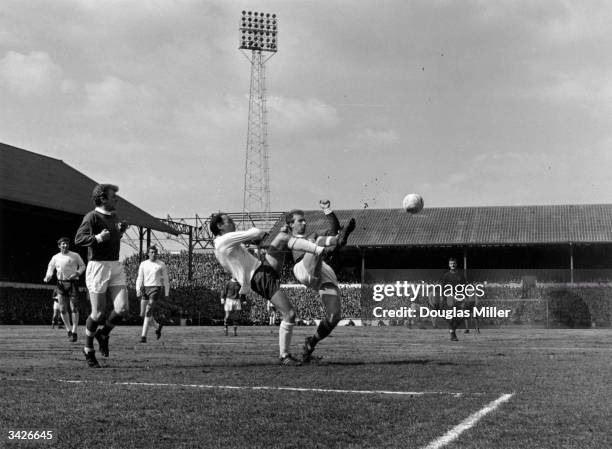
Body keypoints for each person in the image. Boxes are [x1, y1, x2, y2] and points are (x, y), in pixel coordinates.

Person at [211, 212, 332, 366]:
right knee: (289, 314)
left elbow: (251, 246)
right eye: (229, 221)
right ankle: (284, 355)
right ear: (220, 226)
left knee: (282, 237)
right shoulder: (222, 241)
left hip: (263, 268)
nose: (233, 223)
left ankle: (316, 248)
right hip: (259, 277)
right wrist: (256, 235)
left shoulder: (224, 243)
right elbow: (255, 232)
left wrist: (267, 236)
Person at [285, 200, 356, 363]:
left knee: (334, 316)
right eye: (299, 220)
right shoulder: (291, 238)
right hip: (303, 266)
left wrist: (327, 210)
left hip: (322, 271)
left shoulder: (314, 234)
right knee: (318, 242)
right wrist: (338, 238)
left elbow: (333, 229)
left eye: (304, 220)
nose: (304, 222)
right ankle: (340, 240)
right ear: (290, 224)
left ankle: (311, 343)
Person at [75, 184, 129, 368]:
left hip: (115, 265)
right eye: (114, 196)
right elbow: (79, 239)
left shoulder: (114, 217)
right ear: (103, 199)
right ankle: (88, 347)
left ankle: (103, 334)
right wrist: (97, 238)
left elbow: (110, 239)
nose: (117, 199)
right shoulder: (92, 217)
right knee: (97, 313)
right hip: (98, 266)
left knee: (122, 308)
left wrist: (119, 233)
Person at [43, 237, 86, 342]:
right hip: (61, 283)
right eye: (63, 244)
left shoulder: (75, 255)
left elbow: (83, 266)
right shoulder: (55, 257)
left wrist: (76, 273)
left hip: (73, 283)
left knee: (74, 308)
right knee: (62, 309)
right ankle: (69, 330)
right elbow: (50, 268)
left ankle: (75, 331)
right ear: (59, 246)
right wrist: (48, 276)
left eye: (66, 244)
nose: (65, 246)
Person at [136, 245, 170, 343]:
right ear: (148, 253)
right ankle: (157, 326)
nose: (153, 254)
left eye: (155, 252)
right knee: (142, 314)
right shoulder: (143, 264)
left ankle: (143, 337)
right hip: (145, 289)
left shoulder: (161, 264)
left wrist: (167, 292)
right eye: (151, 252)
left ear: (157, 253)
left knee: (148, 311)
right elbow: (139, 278)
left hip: (156, 289)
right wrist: (138, 289)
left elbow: (166, 280)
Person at [442, 257, 466, 341]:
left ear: (456, 264)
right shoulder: (446, 275)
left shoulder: (461, 275)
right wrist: (443, 297)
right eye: (451, 263)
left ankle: (452, 330)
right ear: (449, 265)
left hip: (460, 297)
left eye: (454, 263)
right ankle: (453, 334)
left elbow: (465, 286)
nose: (452, 265)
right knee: (451, 316)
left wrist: (465, 296)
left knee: (463, 315)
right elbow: (443, 287)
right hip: (450, 297)